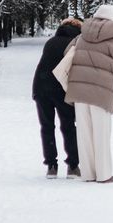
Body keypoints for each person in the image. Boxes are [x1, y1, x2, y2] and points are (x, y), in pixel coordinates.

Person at [65, 4, 113, 183]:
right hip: (102, 94)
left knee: (84, 133)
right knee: (101, 133)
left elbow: (66, 54)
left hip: (79, 92)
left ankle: (88, 174)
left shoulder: (81, 36)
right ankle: (104, 174)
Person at [32, 18, 83, 178]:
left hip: (40, 86)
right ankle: (73, 166)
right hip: (61, 90)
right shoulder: (76, 44)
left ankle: (51, 166)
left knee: (47, 126)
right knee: (68, 126)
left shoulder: (51, 42)